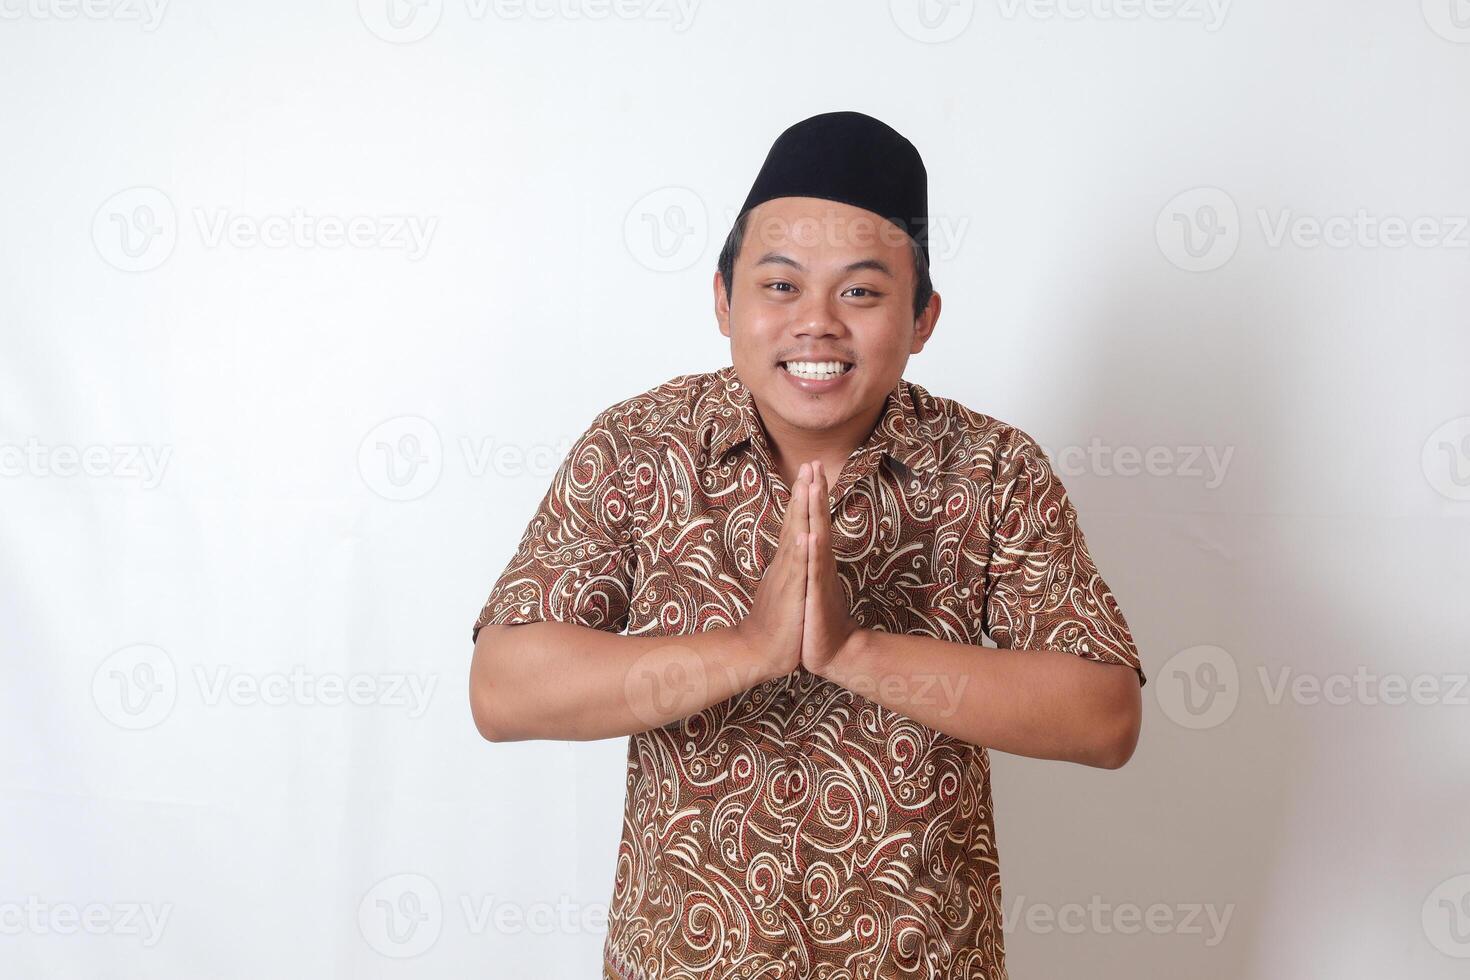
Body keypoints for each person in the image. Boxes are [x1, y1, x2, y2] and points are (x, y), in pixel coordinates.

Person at [468, 110, 1145, 980]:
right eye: (780, 286)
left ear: (924, 315)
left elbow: (1104, 715)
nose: (817, 323)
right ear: (724, 299)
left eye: (861, 292)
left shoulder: (991, 471)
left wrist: (858, 652)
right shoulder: (638, 449)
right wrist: (749, 649)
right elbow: (503, 689)